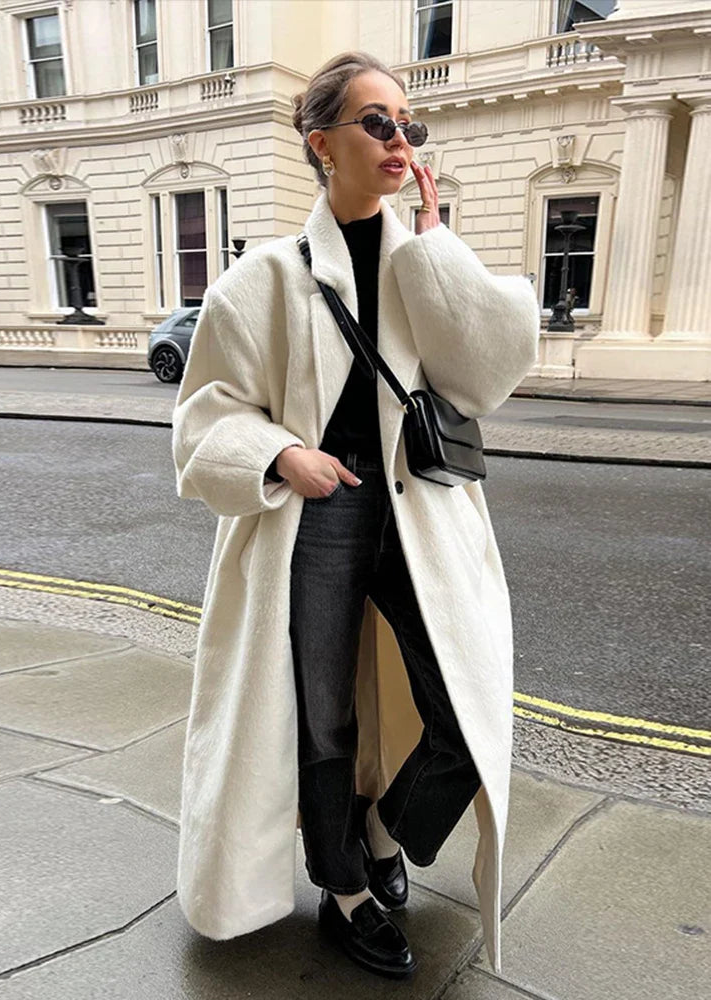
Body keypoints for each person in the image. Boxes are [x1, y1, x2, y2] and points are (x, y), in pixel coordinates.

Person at [172, 50, 540, 982]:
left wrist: (438, 247)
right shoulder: (263, 276)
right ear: (321, 144)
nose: (399, 140)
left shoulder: (424, 259)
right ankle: (342, 887)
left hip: (423, 511)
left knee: (465, 707)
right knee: (322, 715)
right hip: (319, 512)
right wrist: (279, 454)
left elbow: (488, 374)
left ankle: (382, 829)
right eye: (377, 123)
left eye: (408, 125)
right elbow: (204, 416)